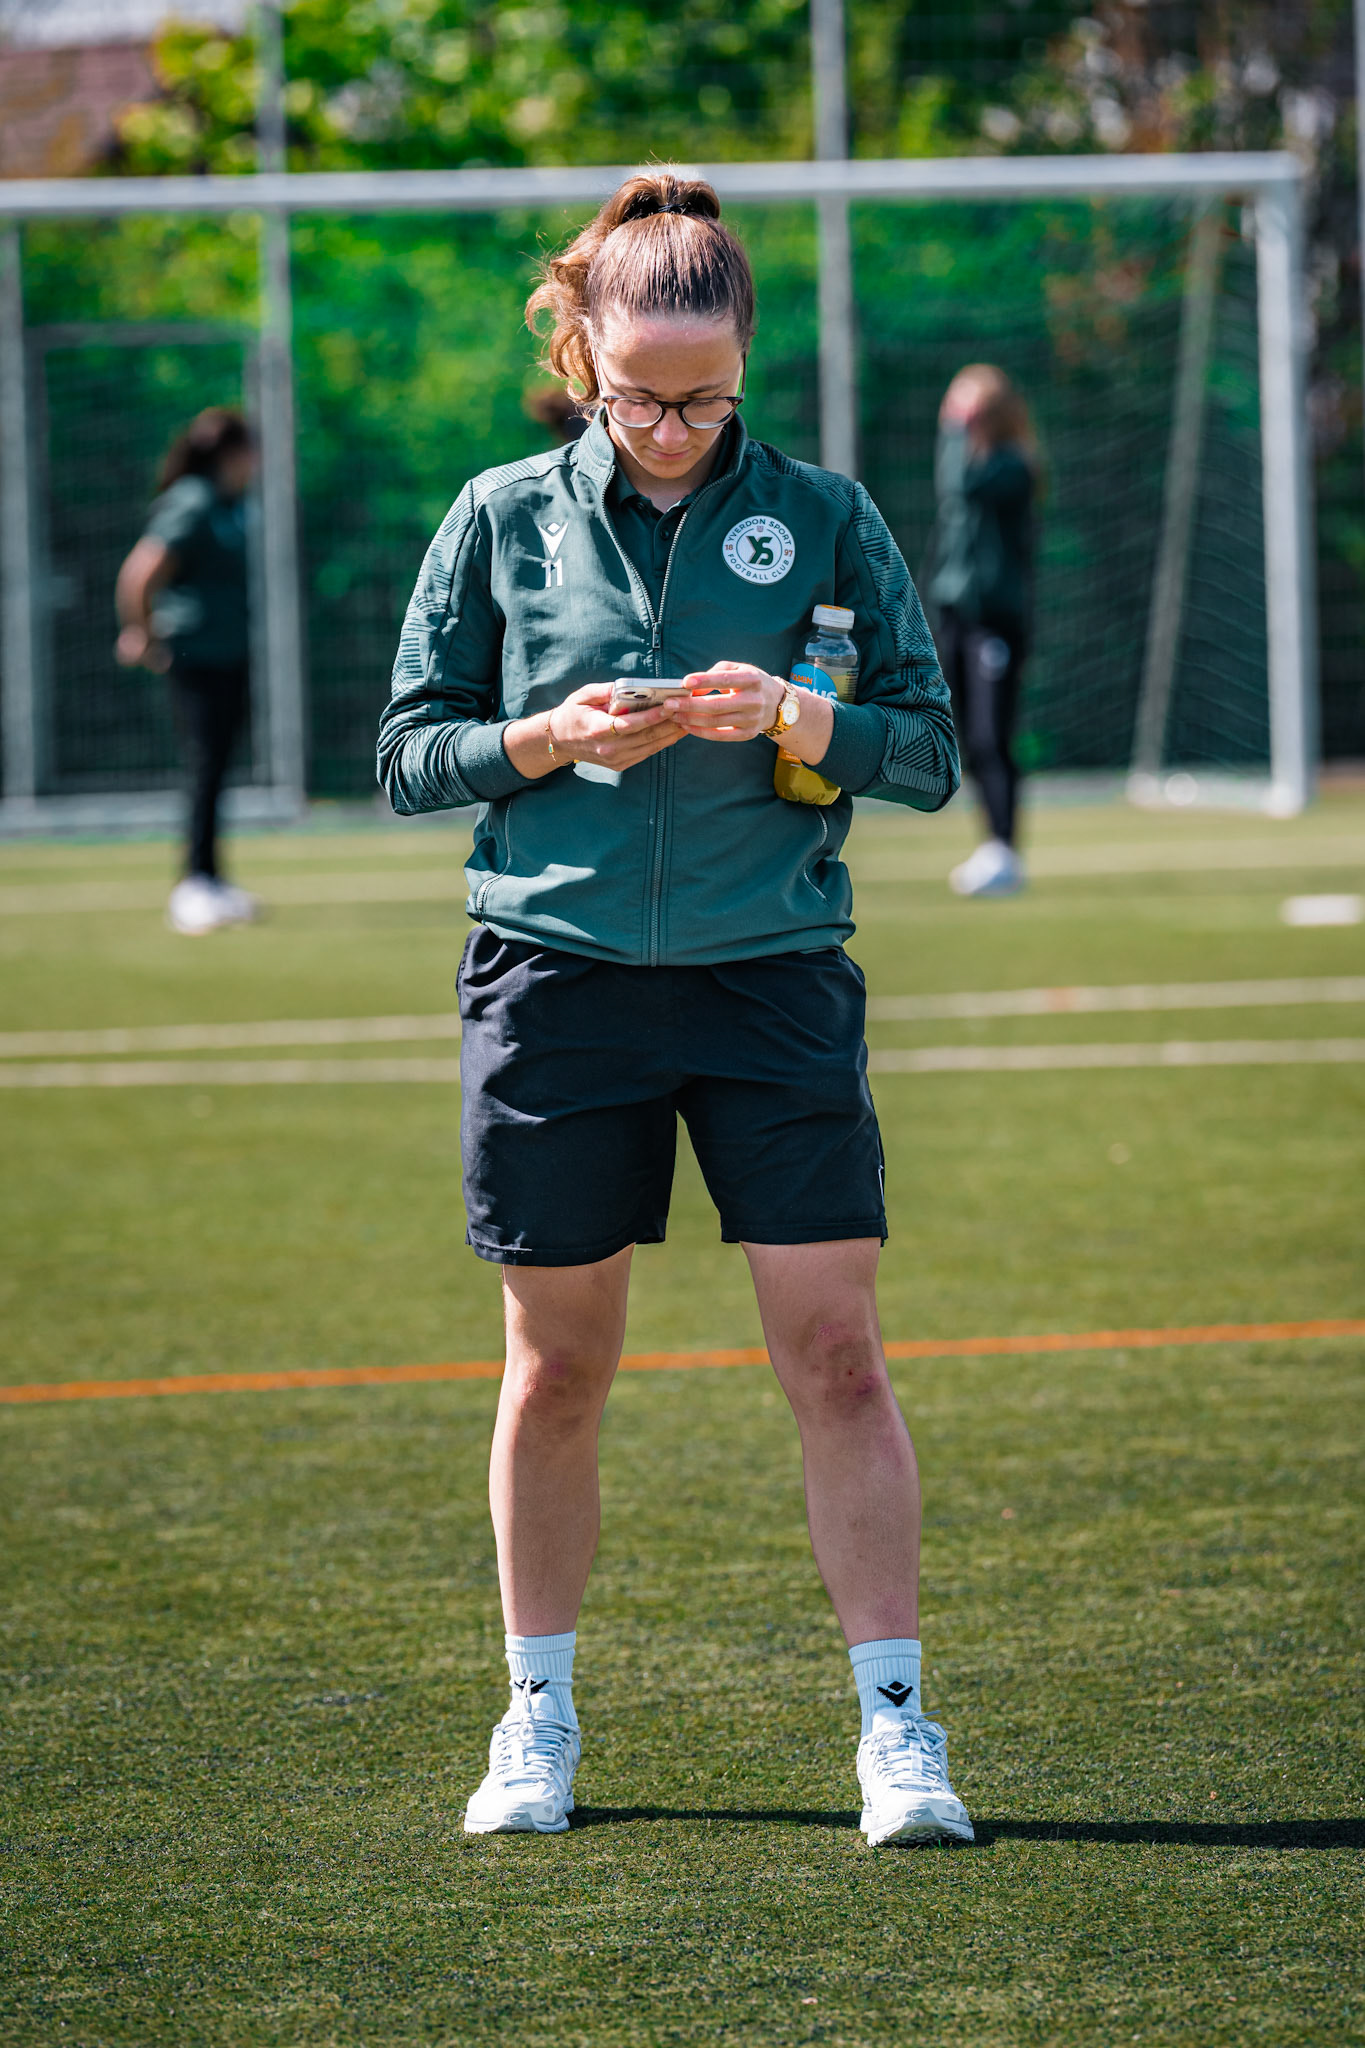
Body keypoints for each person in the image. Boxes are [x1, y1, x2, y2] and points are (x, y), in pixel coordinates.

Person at [378, 169, 971, 1849]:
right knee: (556, 1371)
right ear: (575, 346)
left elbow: (926, 751)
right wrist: (549, 737)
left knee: (837, 1355)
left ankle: (898, 1727)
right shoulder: (499, 516)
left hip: (773, 982)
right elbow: (409, 756)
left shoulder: (830, 515)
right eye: (635, 393)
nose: (668, 427)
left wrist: (802, 712)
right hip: (554, 986)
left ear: (747, 368)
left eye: (706, 397)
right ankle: (539, 1711)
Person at [114, 407, 259, 935]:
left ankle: (212, 879)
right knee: (204, 769)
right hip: (196, 657)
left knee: (216, 769)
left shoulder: (228, 504)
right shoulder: (194, 500)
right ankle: (193, 884)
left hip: (228, 655)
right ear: (233, 454)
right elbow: (141, 572)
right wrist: (142, 631)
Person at [926, 364, 1038, 898]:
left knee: (995, 735)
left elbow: (960, 486)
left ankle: (1005, 849)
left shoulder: (1013, 467)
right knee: (970, 735)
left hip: (996, 619)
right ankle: (992, 846)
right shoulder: (974, 464)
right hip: (959, 615)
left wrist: (952, 429)